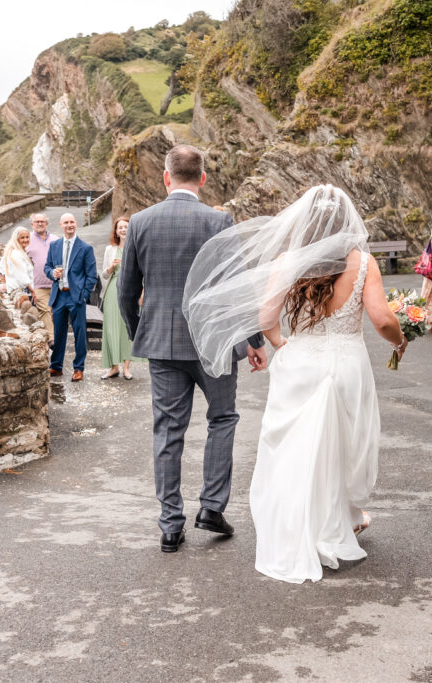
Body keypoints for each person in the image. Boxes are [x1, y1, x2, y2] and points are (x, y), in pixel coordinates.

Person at [184, 184, 406, 583]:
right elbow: (383, 319)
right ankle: (341, 521)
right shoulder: (364, 263)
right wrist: (400, 339)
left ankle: (297, 527)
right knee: (341, 446)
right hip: (345, 361)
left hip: (300, 361)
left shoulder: (290, 261)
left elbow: (266, 315)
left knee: (292, 449)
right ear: (346, 221)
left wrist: (281, 343)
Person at [118, 144, 267, 553]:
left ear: (166, 177)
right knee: (223, 419)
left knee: (168, 432)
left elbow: (126, 291)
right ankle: (212, 507)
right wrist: (253, 340)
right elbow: (238, 287)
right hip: (213, 342)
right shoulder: (219, 220)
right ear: (202, 178)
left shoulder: (141, 222)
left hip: (163, 344)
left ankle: (170, 525)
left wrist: (141, 334)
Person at [44, 213, 97, 382]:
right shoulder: (54, 245)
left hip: (76, 297)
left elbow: (92, 276)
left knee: (80, 333)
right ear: (60, 224)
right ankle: (56, 366)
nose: (69, 225)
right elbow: (47, 267)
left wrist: (83, 296)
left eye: (72, 222)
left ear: (76, 224)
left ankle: (79, 368)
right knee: (59, 333)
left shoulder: (85, 248)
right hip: (59, 295)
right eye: (66, 222)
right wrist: (52, 273)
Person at [99, 216, 136, 380]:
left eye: (126, 227)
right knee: (112, 329)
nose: (123, 230)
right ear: (116, 231)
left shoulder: (136, 247)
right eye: (120, 227)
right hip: (113, 290)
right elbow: (104, 276)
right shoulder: (109, 250)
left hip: (130, 291)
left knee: (127, 329)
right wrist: (111, 267)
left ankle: (126, 367)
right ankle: (114, 367)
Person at [25, 213, 59, 341]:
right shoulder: (27, 240)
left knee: (56, 313)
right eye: (37, 222)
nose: (39, 224)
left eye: (42, 221)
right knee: (45, 310)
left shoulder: (55, 239)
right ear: (32, 224)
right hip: (37, 285)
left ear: (47, 223)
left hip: (56, 284)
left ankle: (55, 336)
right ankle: (52, 339)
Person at [0, 227, 34, 297]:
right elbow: (22, 277)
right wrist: (32, 291)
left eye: (27, 237)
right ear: (17, 239)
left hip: (18, 292)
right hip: (22, 293)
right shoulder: (17, 254)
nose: (25, 240)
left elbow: (1, 270)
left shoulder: (18, 251)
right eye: (22, 238)